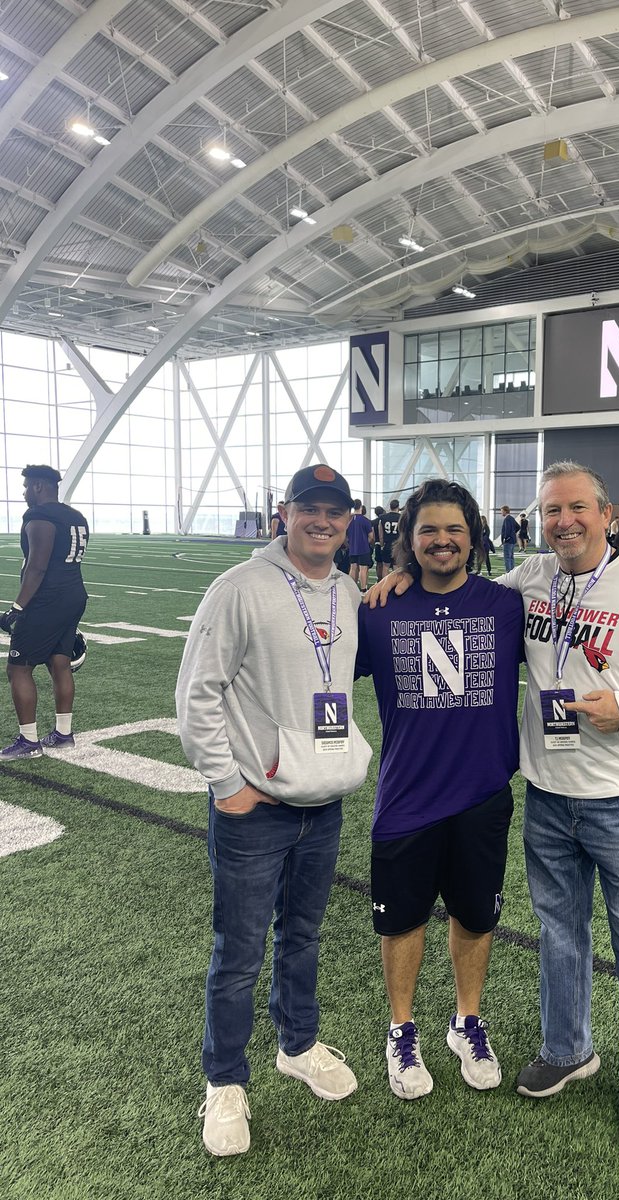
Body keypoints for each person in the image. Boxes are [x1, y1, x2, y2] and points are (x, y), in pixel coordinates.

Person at [366, 461, 619, 1160]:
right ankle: (568, 1050)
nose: (565, 521)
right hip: (549, 796)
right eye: (552, 510)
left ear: (606, 512)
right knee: (561, 938)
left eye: (577, 508)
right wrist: (401, 573)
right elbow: (452, 587)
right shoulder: (529, 580)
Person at [176, 464, 372, 1157]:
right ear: (283, 512)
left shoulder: (348, 590)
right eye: (311, 508)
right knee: (237, 955)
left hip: (323, 804)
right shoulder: (241, 588)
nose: (324, 520)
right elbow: (197, 692)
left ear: (350, 520)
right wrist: (225, 783)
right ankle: (224, 1080)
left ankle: (298, 1044)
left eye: (336, 510)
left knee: (305, 936)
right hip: (254, 809)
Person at [356, 480, 524, 1101]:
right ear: (409, 541)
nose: (442, 540)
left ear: (473, 537)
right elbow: (312, 667)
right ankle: (401, 1031)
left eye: (454, 529)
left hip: (482, 796)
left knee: (475, 916)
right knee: (401, 922)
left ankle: (466, 1021)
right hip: (405, 797)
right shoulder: (379, 611)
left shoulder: (507, 606)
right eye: (428, 530)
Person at [0, 465, 89, 758]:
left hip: (46, 600)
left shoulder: (39, 517)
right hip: (74, 594)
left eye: (26, 487)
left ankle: (28, 742)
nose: (24, 493)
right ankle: (63, 734)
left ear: (39, 486)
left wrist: (16, 609)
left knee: (19, 667)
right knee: (59, 663)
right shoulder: (76, 516)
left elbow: (37, 567)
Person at [347, 500, 374, 591]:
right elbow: (371, 536)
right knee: (363, 569)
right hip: (363, 548)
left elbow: (344, 536)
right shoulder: (365, 520)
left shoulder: (348, 521)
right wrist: (367, 542)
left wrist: (349, 544)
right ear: (361, 507)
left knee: (353, 568)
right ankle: (363, 589)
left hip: (352, 548)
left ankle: (351, 588)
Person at [377, 499, 402, 580]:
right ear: (398, 507)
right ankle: (396, 585)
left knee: (385, 567)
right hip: (397, 546)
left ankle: (384, 585)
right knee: (396, 567)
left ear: (390, 507)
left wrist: (381, 545)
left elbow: (381, 534)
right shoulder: (401, 518)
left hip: (387, 545)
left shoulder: (383, 517)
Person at [500, 505, 518, 573]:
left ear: (505, 511)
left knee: (507, 557)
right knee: (511, 557)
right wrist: (513, 533)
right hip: (513, 540)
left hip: (508, 541)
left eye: (502, 511)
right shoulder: (512, 518)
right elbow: (518, 527)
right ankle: (512, 572)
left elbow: (507, 530)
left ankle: (508, 572)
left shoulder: (507, 519)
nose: (501, 513)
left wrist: (506, 537)